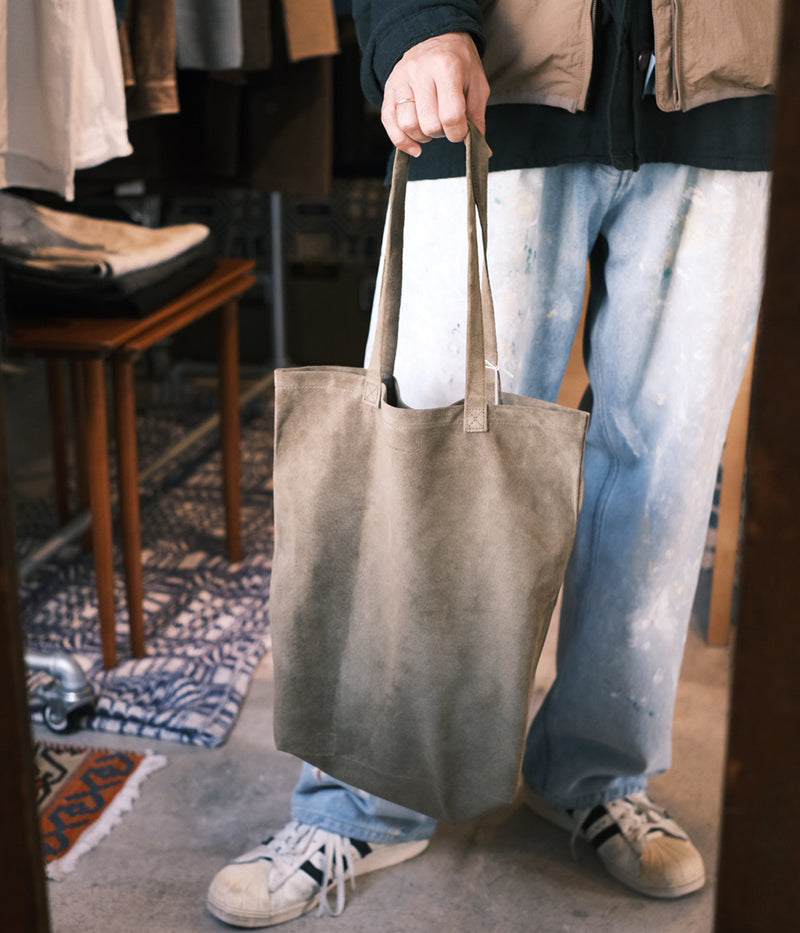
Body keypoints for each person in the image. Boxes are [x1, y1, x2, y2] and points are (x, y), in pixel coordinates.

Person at [207, 1, 779, 926]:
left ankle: (596, 772)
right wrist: (415, 17)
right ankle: (368, 797)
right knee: (425, 444)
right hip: (491, 80)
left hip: (732, 85)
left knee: (666, 470)